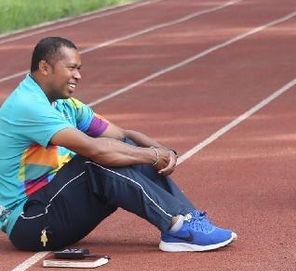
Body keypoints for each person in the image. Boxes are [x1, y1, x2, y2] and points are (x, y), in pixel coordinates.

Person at [0, 37, 236, 253]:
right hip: (30, 221)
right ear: (44, 67)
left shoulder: (64, 104)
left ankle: (188, 218)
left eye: (79, 69)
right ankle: (176, 227)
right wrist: (151, 155)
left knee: (124, 147)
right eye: (71, 68)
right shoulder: (28, 105)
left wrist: (163, 152)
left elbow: (121, 135)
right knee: (95, 162)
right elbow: (95, 150)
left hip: (56, 204)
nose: (78, 76)